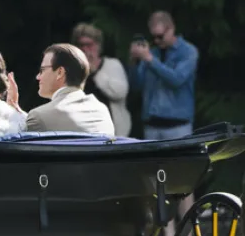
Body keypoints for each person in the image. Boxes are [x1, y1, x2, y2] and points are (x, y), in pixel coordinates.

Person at [130, 11, 197, 140]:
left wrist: (150, 60)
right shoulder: (152, 52)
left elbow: (177, 79)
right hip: (151, 125)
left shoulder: (188, 51)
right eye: (153, 37)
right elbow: (136, 85)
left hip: (178, 126)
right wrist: (134, 61)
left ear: (171, 29)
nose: (156, 41)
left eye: (160, 36)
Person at [22, 43, 115, 135]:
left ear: (60, 72)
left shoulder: (38, 116)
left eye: (42, 70)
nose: (38, 77)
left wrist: (14, 114)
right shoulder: (102, 111)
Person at [71, 23, 130, 137]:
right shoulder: (73, 70)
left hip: (113, 134)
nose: (84, 49)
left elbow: (120, 93)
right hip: (83, 134)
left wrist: (95, 72)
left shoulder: (112, 65)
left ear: (98, 46)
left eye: (89, 45)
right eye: (80, 45)